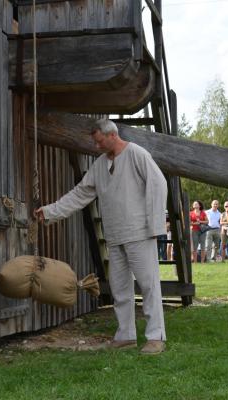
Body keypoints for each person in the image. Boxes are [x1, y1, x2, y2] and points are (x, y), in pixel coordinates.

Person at [34, 118, 167, 354]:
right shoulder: (100, 165)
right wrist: (49, 212)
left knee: (148, 286)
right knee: (120, 288)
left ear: (112, 135)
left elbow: (158, 184)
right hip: (114, 236)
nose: (96, 147)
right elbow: (80, 194)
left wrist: (155, 226)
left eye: (99, 142)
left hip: (139, 233)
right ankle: (126, 335)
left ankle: (155, 337)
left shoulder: (137, 154)